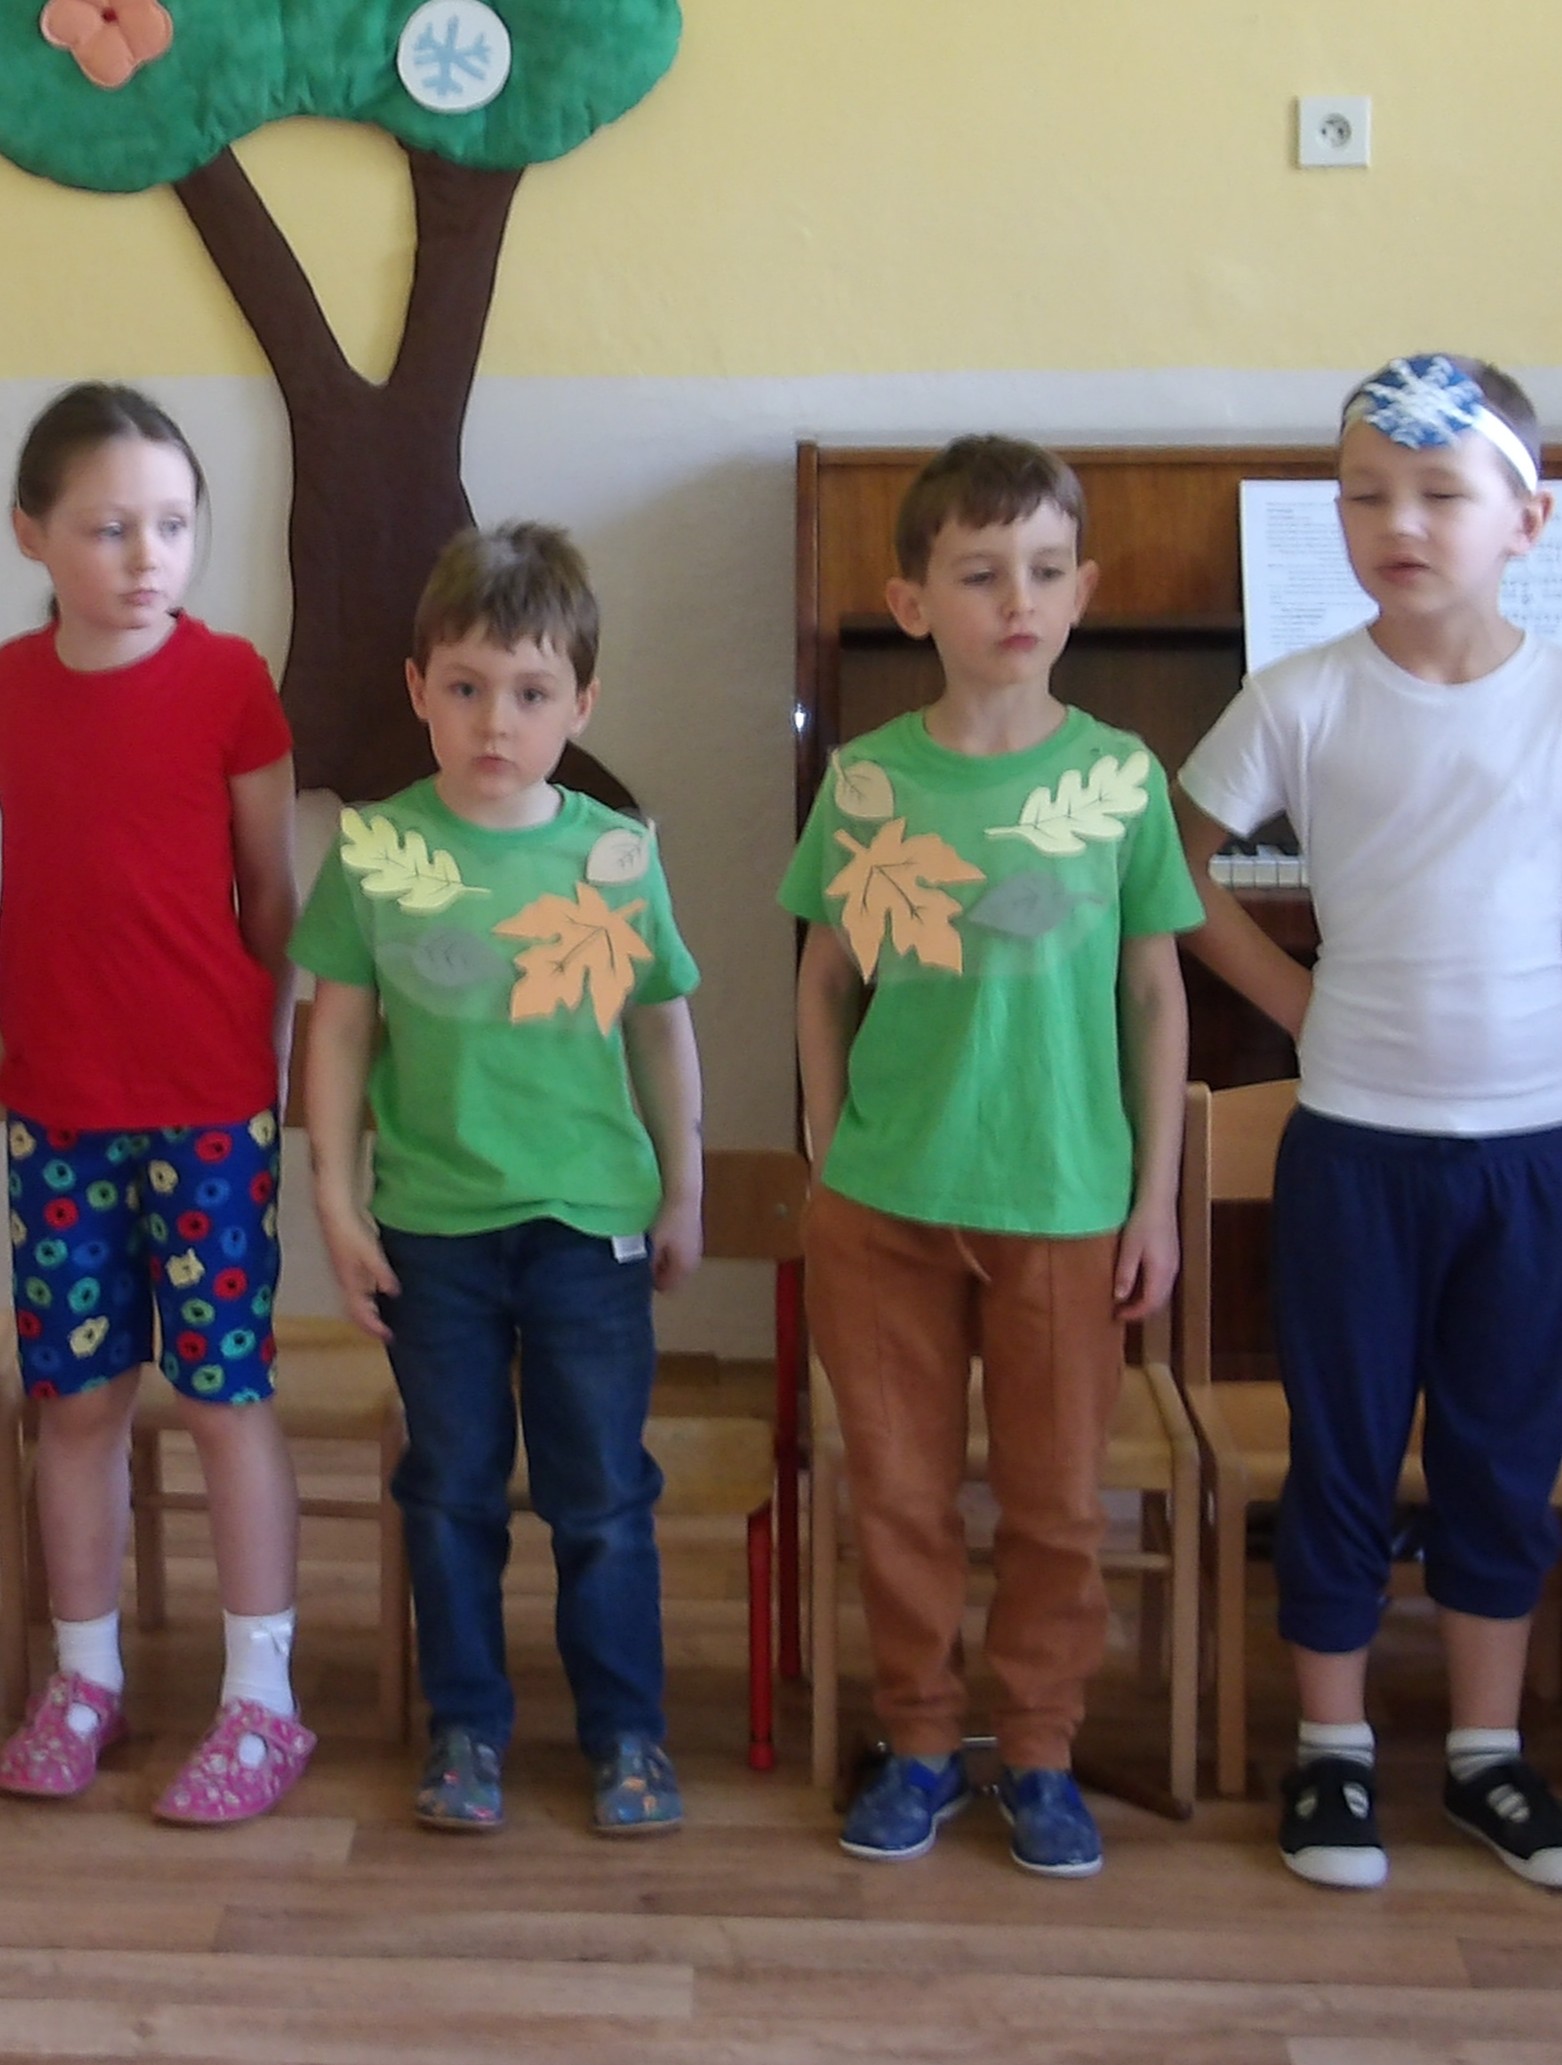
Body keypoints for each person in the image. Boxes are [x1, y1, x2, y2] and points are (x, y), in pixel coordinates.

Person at [783, 435, 1202, 1875]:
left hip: (1064, 1198)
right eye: (979, 574)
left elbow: (1154, 994)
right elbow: (822, 980)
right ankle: (917, 1740)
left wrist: (1152, 1197)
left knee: (1054, 1503)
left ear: (1082, 590)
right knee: (900, 1495)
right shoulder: (865, 782)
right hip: (887, 1203)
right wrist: (826, 1149)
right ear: (913, 605)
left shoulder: (1121, 777)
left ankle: (1037, 1750)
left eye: (1042, 569)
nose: (1015, 599)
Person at [1176, 353, 1562, 1891]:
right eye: (1362, 494)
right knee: (1338, 1450)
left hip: (1529, 1152)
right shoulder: (1302, 696)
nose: (1396, 522)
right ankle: (1329, 1748)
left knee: (1499, 1449)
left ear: (1524, 520)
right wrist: (1291, 996)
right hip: (1355, 1147)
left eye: (1438, 493)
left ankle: (1483, 1753)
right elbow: (1170, 865)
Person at [292, 520, 702, 1835]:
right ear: (418, 688)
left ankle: (626, 1734)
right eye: (465, 688)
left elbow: (660, 1028)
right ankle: (465, 1728)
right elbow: (337, 1033)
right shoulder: (375, 851)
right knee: (450, 1491)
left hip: (590, 1229)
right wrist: (337, 1205)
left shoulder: (616, 856)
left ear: (582, 703)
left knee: (601, 1497)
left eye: (530, 693)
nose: (494, 722)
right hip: (434, 1233)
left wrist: (683, 1187)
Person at [0, 381, 310, 1824]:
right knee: (74, 1402)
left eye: (174, 525)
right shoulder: (9, 690)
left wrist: (266, 1069)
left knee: (224, 1396)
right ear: (32, 535)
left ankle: (263, 1701)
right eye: (110, 527)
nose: (147, 557)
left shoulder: (230, 682)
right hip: (56, 1111)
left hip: (208, 1113)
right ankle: (84, 1678)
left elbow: (271, 899)